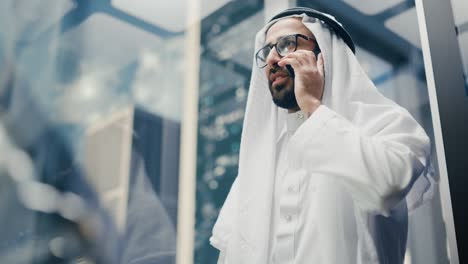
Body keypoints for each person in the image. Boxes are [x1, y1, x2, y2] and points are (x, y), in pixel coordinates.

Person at [210, 8, 434, 264]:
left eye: (286, 44)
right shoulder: (259, 161)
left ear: (326, 55)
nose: (272, 58)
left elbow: (388, 184)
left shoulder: (387, 124)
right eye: (267, 50)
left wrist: (312, 106)